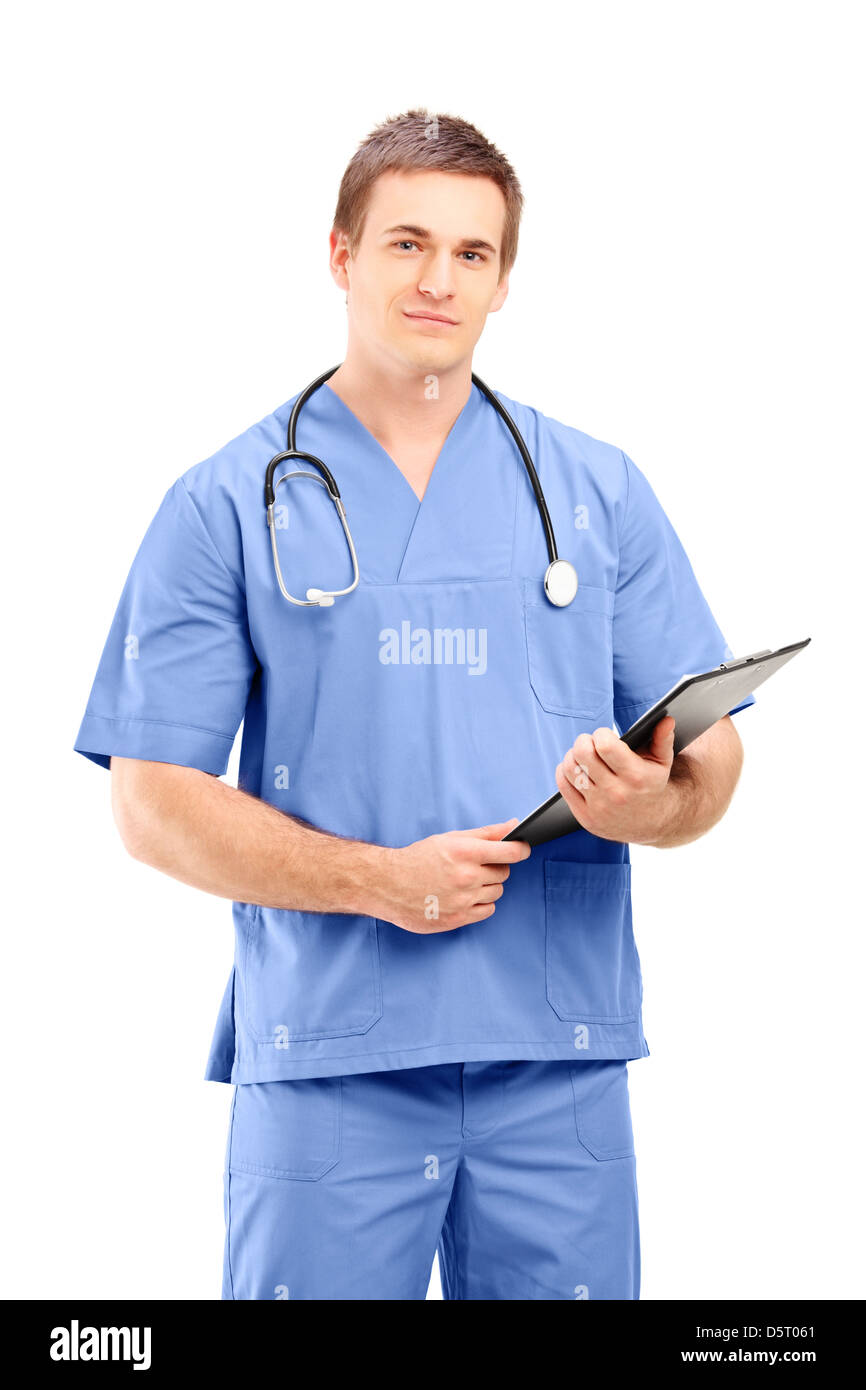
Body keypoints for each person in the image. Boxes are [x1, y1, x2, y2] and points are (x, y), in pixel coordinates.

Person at [74, 108, 754, 1301]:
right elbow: (152, 803)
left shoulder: (594, 492)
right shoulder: (224, 504)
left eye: (472, 254)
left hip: (555, 1062)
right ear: (339, 255)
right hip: (332, 1062)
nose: (438, 278)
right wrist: (377, 881)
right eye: (404, 243)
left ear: (503, 283)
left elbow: (710, 770)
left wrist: (650, 802)